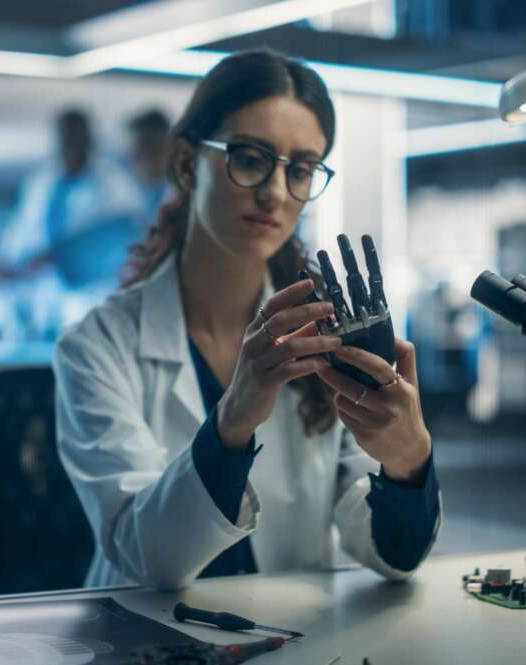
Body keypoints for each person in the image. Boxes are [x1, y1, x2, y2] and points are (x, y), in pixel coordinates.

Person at [55, 50, 440, 590]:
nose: (276, 192)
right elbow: (146, 558)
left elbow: (387, 553)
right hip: (141, 638)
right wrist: (233, 419)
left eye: (301, 169)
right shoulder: (97, 346)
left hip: (286, 640)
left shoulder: (325, 336)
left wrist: (408, 465)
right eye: (250, 158)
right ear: (187, 164)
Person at [0, 109, 142, 337]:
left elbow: (120, 234)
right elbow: (23, 229)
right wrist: (9, 263)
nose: (71, 145)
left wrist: (55, 258)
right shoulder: (42, 182)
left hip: (93, 294)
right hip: (46, 297)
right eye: (65, 138)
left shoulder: (114, 182)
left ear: (90, 140)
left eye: (77, 138)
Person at [125, 108, 171, 238]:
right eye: (132, 150)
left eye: (143, 148)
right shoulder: (136, 193)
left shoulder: (177, 199)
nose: (134, 157)